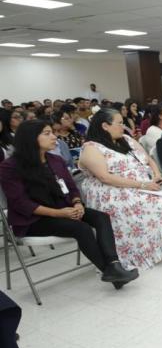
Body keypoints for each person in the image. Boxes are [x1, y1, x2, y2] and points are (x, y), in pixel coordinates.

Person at [0, 120, 138, 287]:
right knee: (81, 228)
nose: (54, 137)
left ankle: (114, 265)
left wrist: (77, 203)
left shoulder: (55, 160)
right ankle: (111, 273)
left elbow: (71, 187)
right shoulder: (10, 167)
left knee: (101, 217)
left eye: (52, 132)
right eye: (47, 133)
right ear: (30, 138)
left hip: (65, 210)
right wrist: (60, 213)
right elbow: (21, 203)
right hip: (34, 220)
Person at [79, 109, 162, 270]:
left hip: (142, 182)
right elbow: (105, 177)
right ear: (105, 126)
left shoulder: (126, 140)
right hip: (113, 189)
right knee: (153, 204)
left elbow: (149, 160)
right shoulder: (91, 148)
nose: (124, 127)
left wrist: (157, 175)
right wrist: (143, 185)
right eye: (120, 123)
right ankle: (149, 248)